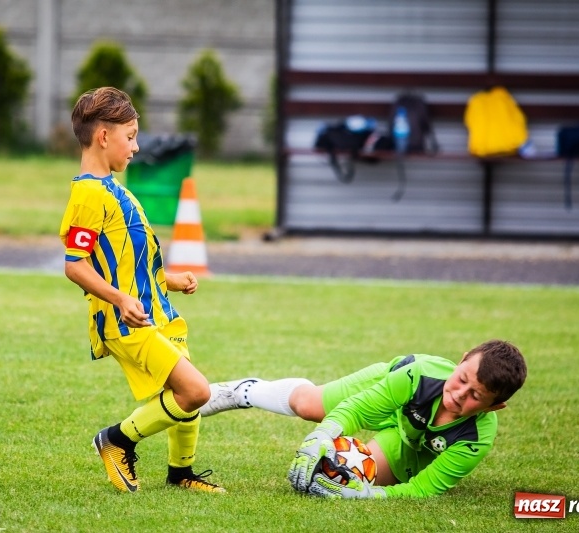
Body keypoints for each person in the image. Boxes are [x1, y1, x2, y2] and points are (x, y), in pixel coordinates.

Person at [59, 87, 224, 494]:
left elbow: (127, 261)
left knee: (185, 393)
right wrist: (119, 300)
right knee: (195, 391)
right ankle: (117, 439)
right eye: (130, 136)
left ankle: (180, 474)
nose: (135, 147)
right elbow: (74, 265)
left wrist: (171, 279)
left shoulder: (116, 188)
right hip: (125, 320)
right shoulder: (88, 195)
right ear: (103, 137)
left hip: (155, 310)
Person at [200, 339, 526, 499]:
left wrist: (366, 495)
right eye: (462, 378)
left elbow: (424, 489)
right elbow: (356, 410)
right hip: (389, 390)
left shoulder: (476, 438)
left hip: (407, 444)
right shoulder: (417, 374)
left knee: (347, 479)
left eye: (475, 396)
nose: (459, 394)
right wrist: (322, 434)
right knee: (310, 405)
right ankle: (242, 391)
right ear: (463, 358)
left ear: (493, 407)